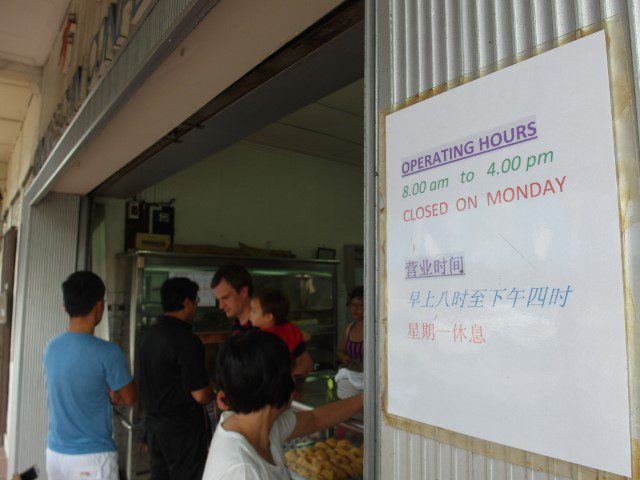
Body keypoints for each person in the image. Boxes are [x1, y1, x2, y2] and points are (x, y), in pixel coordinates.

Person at [202, 330, 363, 480]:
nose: (294, 382)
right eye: (291, 373)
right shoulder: (242, 471)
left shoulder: (256, 425)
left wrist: (367, 397)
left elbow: (315, 419)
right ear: (278, 385)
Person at [44, 271, 136, 480]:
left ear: (65, 307)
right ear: (99, 307)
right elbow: (130, 397)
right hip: (91, 458)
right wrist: (114, 397)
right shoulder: (108, 353)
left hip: (55, 454)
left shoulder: (51, 348)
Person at [138, 277, 213, 479]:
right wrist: (214, 390)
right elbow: (200, 395)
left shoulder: (147, 335)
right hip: (182, 432)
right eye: (196, 301)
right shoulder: (187, 340)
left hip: (155, 427)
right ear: (187, 303)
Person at [250, 288, 313, 376]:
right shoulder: (289, 328)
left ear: (268, 317)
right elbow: (305, 337)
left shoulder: (262, 337)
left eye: (253, 311)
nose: (250, 314)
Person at [212, 264, 254, 334]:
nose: (221, 306)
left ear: (244, 292)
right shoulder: (237, 326)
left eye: (225, 298)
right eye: (218, 299)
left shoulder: (263, 331)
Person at [337, 286, 364, 367]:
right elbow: (340, 351)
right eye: (353, 305)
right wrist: (343, 357)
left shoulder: (373, 330)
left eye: (359, 305)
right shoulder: (349, 328)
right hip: (352, 375)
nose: (355, 309)